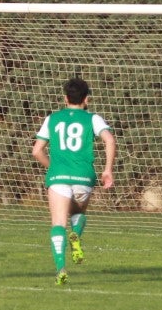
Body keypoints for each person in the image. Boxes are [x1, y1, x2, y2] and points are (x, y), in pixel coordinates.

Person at [32, 76, 117, 286]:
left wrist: (53, 168)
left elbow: (37, 151)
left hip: (59, 177)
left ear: (65, 98)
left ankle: (61, 268)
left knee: (58, 222)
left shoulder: (52, 118)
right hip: (83, 177)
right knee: (78, 213)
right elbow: (110, 140)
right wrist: (107, 170)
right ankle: (76, 235)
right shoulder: (93, 119)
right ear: (86, 99)